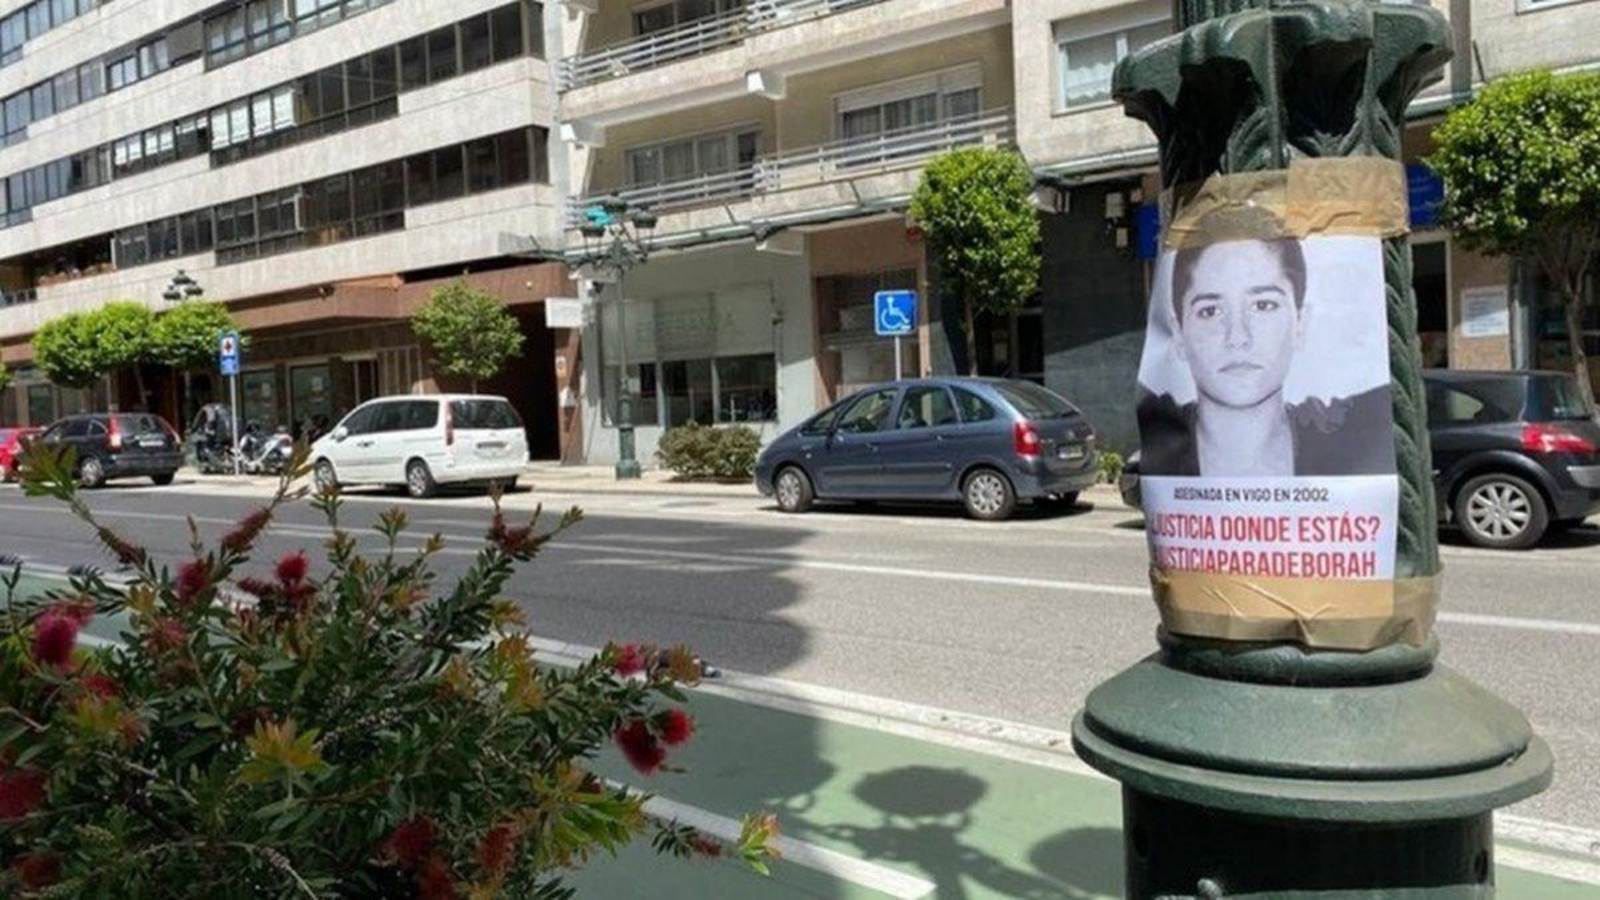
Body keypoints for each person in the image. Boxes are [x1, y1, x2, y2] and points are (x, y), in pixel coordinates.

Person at [1138, 236, 1395, 477]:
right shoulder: (1159, 435)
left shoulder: (1351, 437)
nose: (1238, 337)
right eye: (1210, 311)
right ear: (1178, 332)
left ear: (1300, 322)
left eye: (1263, 305)